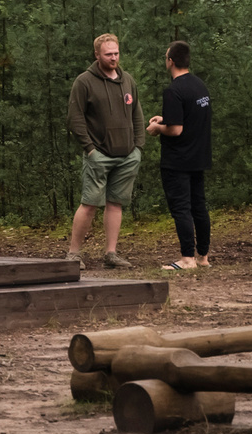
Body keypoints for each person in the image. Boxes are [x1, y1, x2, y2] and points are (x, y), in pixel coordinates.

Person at [64, 32, 139, 269]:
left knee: (115, 203)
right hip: (99, 154)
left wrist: (138, 147)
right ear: (97, 55)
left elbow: (137, 113)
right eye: (108, 54)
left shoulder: (127, 80)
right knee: (89, 203)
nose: (113, 58)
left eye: (116, 53)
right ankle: (74, 253)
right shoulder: (84, 82)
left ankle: (111, 253)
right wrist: (90, 150)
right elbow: (75, 119)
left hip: (127, 155)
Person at [146, 40, 211, 270]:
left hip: (178, 160)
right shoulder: (199, 86)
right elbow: (188, 117)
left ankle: (187, 258)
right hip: (198, 156)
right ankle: (203, 257)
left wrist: (157, 128)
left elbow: (176, 129)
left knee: (181, 208)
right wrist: (163, 119)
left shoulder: (173, 90)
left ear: (171, 61)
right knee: (199, 207)